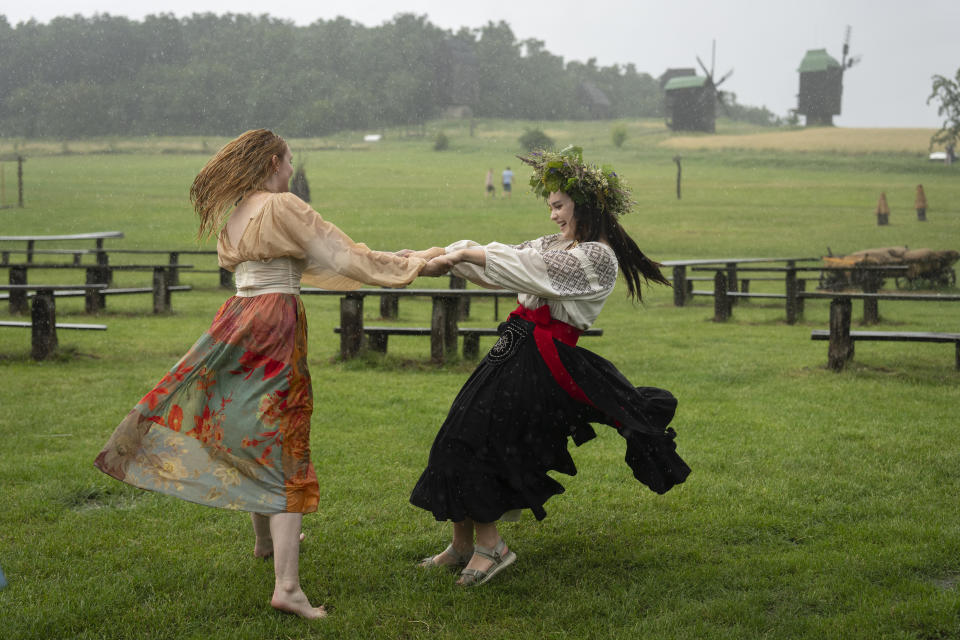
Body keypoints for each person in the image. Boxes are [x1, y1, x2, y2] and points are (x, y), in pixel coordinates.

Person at [94, 129, 436, 619]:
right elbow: (342, 257)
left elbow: (303, 264)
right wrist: (412, 265)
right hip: (274, 323)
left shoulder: (236, 214)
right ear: (273, 161)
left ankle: (264, 543)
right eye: (289, 160)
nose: (291, 169)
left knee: (249, 429)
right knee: (286, 436)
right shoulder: (281, 205)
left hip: (237, 316)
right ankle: (288, 588)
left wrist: (400, 262)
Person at [410, 146, 690, 587]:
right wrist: (437, 258)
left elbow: (529, 267)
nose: (554, 216)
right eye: (551, 207)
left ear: (585, 204)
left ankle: (492, 548)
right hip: (513, 349)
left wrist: (459, 254)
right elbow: (505, 266)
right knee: (455, 434)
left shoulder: (597, 258)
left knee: (484, 441)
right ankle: (462, 543)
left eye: (559, 206)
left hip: (542, 363)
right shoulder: (555, 244)